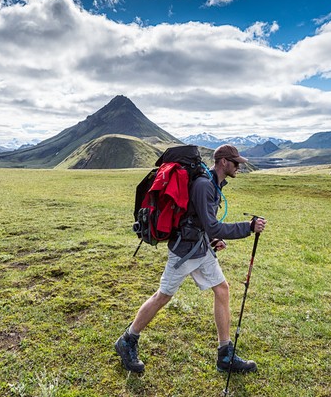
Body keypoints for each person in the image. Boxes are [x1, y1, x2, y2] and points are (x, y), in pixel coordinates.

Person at [115, 144, 268, 374]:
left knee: (222, 289)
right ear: (223, 162)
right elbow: (212, 224)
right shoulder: (204, 185)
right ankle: (127, 340)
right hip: (184, 251)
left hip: (200, 247)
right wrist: (247, 227)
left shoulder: (211, 183)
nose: (239, 167)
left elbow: (199, 220)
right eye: (236, 163)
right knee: (162, 296)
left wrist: (212, 238)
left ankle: (225, 355)